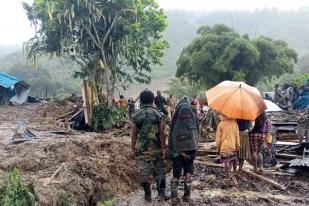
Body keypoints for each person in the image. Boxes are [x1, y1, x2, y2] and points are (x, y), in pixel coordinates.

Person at [131, 90, 169, 202]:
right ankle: (161, 194)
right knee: (160, 170)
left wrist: (132, 149)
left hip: (142, 149)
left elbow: (134, 134)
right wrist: (163, 148)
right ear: (153, 100)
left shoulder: (136, 115)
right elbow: (162, 132)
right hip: (156, 147)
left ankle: (147, 195)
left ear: (141, 100)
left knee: (144, 171)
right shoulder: (159, 114)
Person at [169, 97, 199, 204]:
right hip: (191, 149)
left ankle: (173, 198)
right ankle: (187, 196)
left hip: (177, 150)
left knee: (176, 173)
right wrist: (194, 150)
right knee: (188, 173)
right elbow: (197, 134)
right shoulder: (194, 117)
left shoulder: (175, 118)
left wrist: (172, 151)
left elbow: (171, 136)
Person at [216, 114, 240, 180]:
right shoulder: (235, 124)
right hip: (232, 145)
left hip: (224, 146)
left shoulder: (221, 124)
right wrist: (238, 146)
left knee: (226, 162)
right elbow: (237, 136)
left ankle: (227, 176)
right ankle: (228, 174)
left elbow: (218, 137)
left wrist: (218, 146)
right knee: (231, 160)